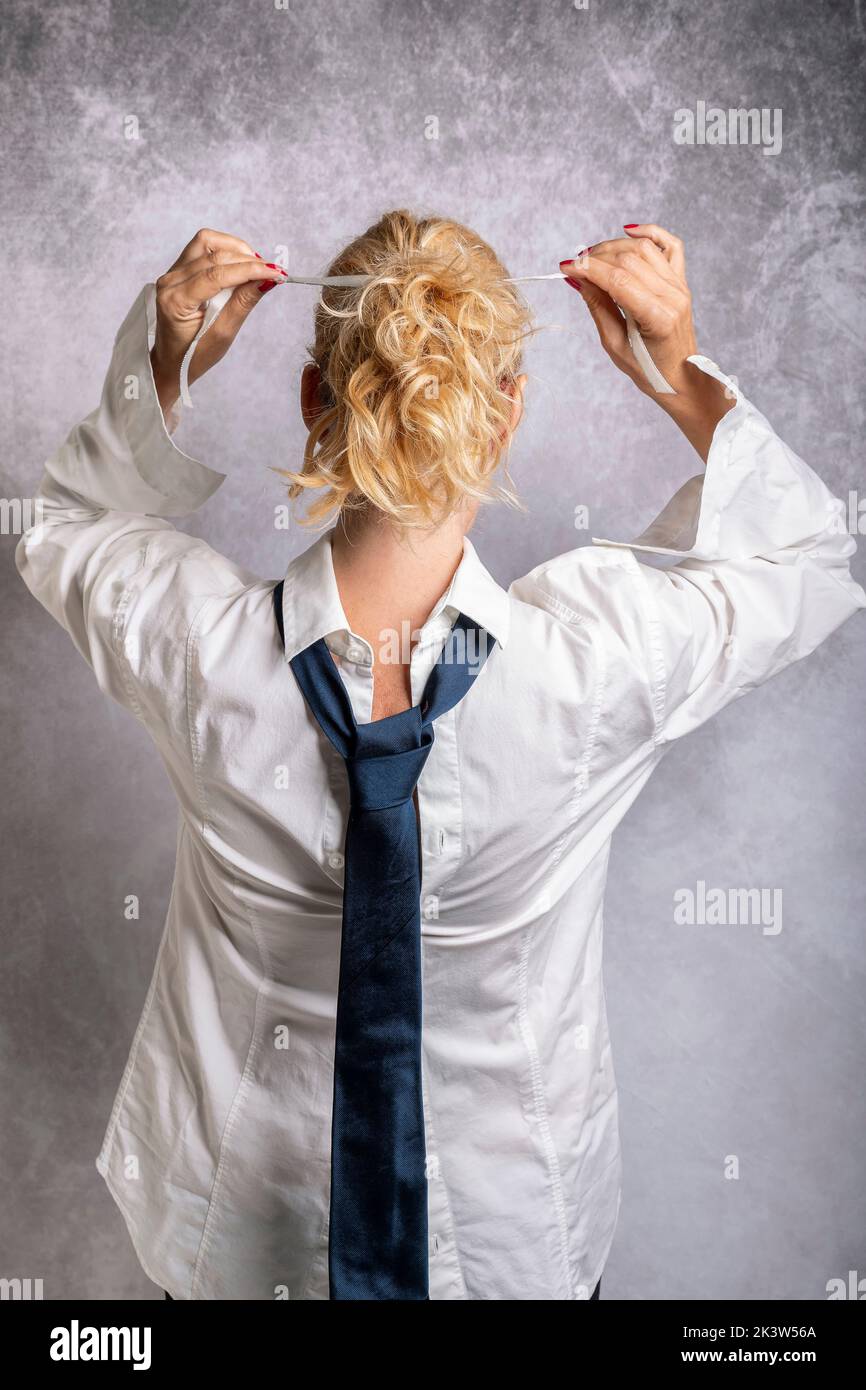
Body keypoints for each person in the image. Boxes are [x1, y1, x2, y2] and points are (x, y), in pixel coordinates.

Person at [16, 210, 864, 1301]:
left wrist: (162, 363)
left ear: (315, 402)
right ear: (503, 411)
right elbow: (806, 550)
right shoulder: (599, 659)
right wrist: (678, 373)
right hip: (521, 1250)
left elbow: (65, 522)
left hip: (238, 1251)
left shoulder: (194, 646)